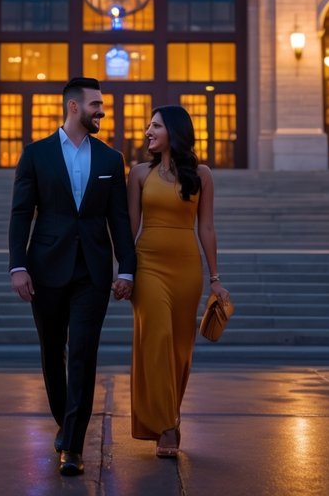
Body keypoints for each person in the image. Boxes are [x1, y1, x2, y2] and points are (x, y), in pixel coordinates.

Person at [7, 77, 137, 477]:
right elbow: (20, 213)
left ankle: (74, 445)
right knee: (52, 352)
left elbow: (119, 218)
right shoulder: (35, 155)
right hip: (45, 268)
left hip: (92, 273)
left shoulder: (111, 159)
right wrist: (18, 265)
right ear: (74, 107)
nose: (102, 111)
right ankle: (66, 422)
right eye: (96, 104)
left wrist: (126, 268)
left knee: (82, 353)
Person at [127, 105, 230, 459]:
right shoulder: (139, 173)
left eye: (155, 125)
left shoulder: (201, 174)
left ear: (174, 130)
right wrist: (123, 271)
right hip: (148, 266)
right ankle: (166, 427)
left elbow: (207, 227)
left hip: (187, 269)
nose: (147, 131)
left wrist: (215, 278)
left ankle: (169, 413)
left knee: (180, 350)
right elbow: (129, 227)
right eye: (148, 125)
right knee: (157, 339)